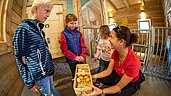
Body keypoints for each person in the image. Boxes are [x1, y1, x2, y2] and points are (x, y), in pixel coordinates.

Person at [12, 0, 61, 96]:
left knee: (52, 88)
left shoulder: (40, 30)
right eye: (47, 11)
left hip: (48, 69)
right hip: (40, 74)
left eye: (49, 12)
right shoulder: (23, 29)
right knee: (47, 93)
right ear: (36, 9)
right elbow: (19, 58)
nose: (48, 15)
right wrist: (29, 83)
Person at [83, 26, 145, 96]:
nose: (108, 39)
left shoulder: (134, 62)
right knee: (100, 78)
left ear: (121, 42)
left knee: (110, 94)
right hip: (119, 75)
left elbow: (118, 86)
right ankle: (114, 84)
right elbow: (108, 71)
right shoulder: (116, 52)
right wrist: (92, 76)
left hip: (131, 83)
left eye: (111, 37)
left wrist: (101, 91)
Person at [60, 14, 86, 78]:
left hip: (80, 58)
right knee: (75, 74)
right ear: (66, 23)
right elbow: (64, 49)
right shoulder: (63, 34)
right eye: (71, 23)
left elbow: (83, 46)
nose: (74, 25)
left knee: (82, 73)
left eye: (75, 23)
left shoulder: (79, 33)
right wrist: (74, 57)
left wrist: (82, 55)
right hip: (71, 59)